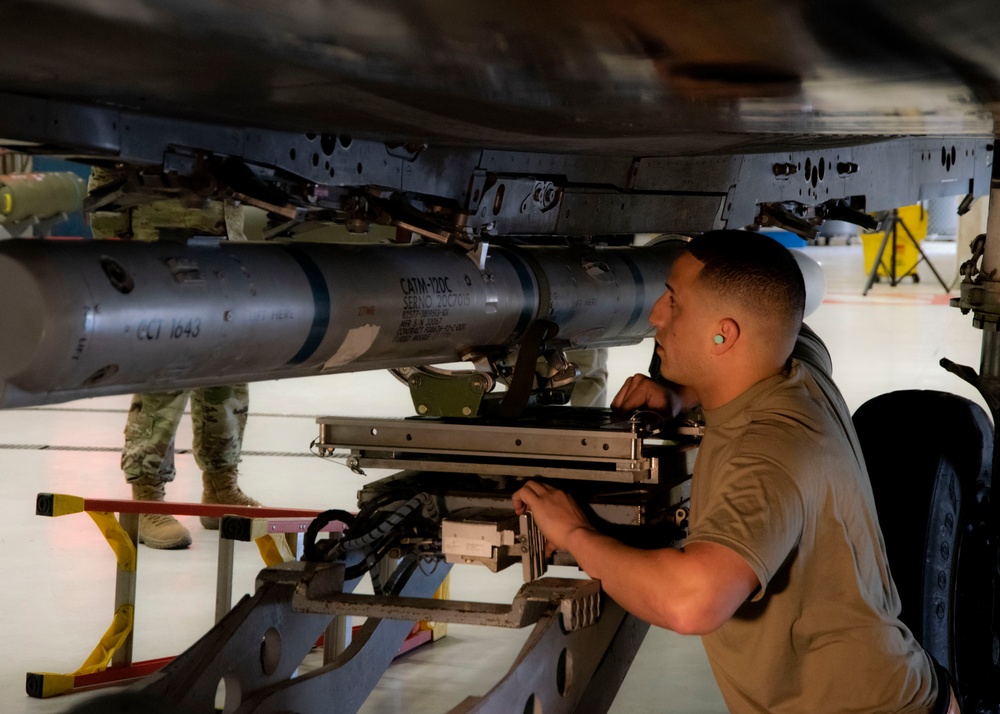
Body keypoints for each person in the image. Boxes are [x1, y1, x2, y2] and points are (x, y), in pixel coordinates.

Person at [513, 230, 957, 713]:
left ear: (723, 334)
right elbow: (803, 339)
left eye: (673, 302)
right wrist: (682, 395)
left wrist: (574, 532)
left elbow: (692, 601)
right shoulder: (798, 376)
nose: (656, 315)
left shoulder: (767, 452)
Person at [89, 166, 261, 550]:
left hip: (224, 242)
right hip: (160, 245)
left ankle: (220, 487)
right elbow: (107, 168)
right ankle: (146, 498)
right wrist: (113, 246)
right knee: (167, 368)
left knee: (228, 365)